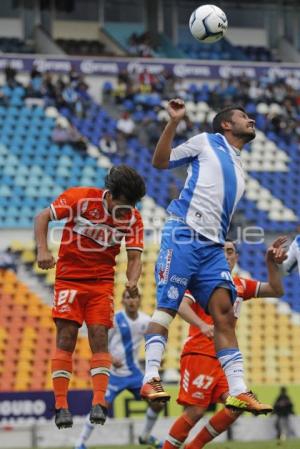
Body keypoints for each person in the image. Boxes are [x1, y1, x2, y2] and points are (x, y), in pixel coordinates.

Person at [140, 99, 274, 414]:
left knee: (224, 314)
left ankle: (239, 390)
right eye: (243, 116)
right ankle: (150, 377)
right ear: (226, 124)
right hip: (184, 232)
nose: (250, 119)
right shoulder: (205, 142)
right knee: (167, 306)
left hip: (213, 246)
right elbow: (161, 162)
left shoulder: (239, 162)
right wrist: (173, 122)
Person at [34, 165, 146, 429]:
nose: (126, 211)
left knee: (99, 337)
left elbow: (134, 257)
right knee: (66, 337)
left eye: (131, 206)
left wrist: (132, 280)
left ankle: (99, 403)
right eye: (122, 204)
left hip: (101, 284)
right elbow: (42, 217)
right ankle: (61, 406)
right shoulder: (80, 198)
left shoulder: (133, 218)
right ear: (110, 194)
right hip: (69, 279)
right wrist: (42, 250)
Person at [163, 238, 287, 449]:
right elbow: (181, 304)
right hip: (199, 354)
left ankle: (194, 447)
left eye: (230, 251)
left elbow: (276, 290)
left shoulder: (239, 284)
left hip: (224, 361)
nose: (226, 256)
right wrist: (201, 325)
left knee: (236, 404)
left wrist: (270, 263)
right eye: (221, 252)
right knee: (195, 411)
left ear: (236, 257)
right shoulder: (202, 280)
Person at [75, 289, 163, 449]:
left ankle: (145, 436)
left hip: (135, 373)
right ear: (122, 301)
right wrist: (110, 357)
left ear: (139, 300)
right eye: (128, 298)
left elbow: (154, 342)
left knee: (158, 401)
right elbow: (99, 343)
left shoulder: (146, 321)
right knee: (100, 408)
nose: (131, 301)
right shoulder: (115, 320)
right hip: (114, 375)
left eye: (134, 297)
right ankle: (80, 443)